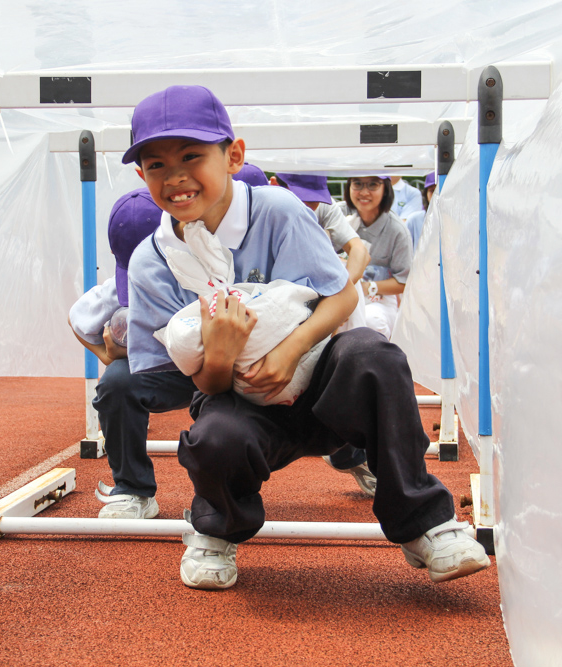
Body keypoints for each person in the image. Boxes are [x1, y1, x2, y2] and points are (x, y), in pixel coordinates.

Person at [123, 84, 489, 590]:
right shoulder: (153, 260)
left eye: (191, 156)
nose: (175, 177)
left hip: (323, 389)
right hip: (242, 403)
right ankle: (216, 528)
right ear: (141, 176)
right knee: (215, 435)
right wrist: (221, 359)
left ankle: (423, 523)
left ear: (234, 156)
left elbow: (342, 296)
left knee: (375, 355)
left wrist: (291, 349)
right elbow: (196, 381)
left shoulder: (276, 211)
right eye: (156, 165)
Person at [68, 188, 197, 519]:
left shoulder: (206, 274)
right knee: (116, 382)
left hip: (214, 369)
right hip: (164, 375)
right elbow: (77, 318)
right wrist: (107, 355)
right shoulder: (115, 290)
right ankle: (133, 489)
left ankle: (220, 495)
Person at [272, 172, 377, 498]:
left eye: (315, 199)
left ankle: (351, 448)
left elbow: (359, 252)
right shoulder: (264, 213)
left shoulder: (324, 210)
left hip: (321, 295)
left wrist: (340, 287)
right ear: (275, 186)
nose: (310, 206)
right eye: (302, 198)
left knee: (358, 350)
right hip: (276, 301)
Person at [341, 175, 413, 340]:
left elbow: (403, 281)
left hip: (378, 300)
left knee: (370, 322)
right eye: (357, 184)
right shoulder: (338, 215)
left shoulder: (397, 230)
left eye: (373, 185)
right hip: (340, 295)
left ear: (385, 189)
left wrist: (367, 287)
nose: (364, 192)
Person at [404, 171, 436, 251]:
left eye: (441, 190)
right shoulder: (414, 220)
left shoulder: (457, 221)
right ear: (426, 194)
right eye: (432, 191)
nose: (436, 195)